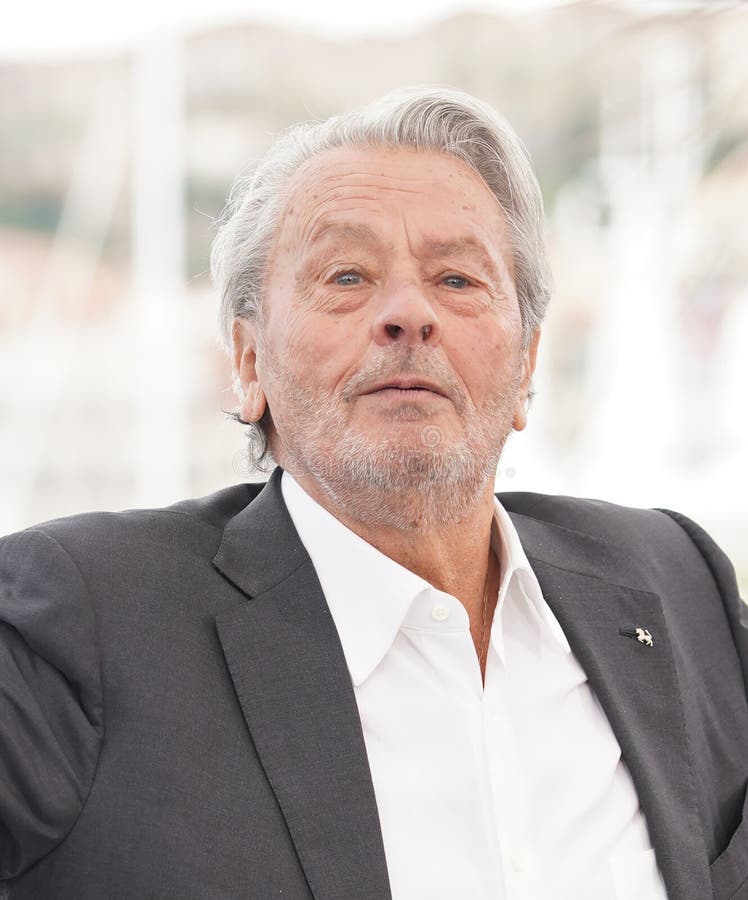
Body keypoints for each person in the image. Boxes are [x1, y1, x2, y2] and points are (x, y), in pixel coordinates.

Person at [0, 87, 746, 900]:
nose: (409, 314)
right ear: (248, 363)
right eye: (347, 275)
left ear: (529, 364)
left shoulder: (676, 584)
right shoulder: (83, 621)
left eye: (458, 279)